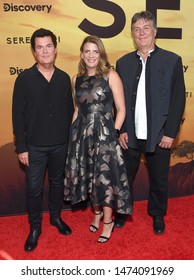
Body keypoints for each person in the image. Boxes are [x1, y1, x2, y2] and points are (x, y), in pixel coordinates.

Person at [115, 11, 186, 234]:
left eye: (146, 27)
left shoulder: (172, 60)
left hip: (160, 135)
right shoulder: (123, 63)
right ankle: (121, 213)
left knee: (159, 179)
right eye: (137, 29)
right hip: (131, 135)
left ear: (154, 31)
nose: (142, 32)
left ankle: (157, 215)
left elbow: (178, 99)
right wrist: (122, 130)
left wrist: (170, 132)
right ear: (132, 34)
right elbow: (118, 101)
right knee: (124, 177)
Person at [64, 35, 132, 243]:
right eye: (87, 51)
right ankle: (97, 213)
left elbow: (121, 109)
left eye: (95, 51)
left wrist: (114, 132)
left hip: (105, 136)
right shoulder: (76, 79)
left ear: (101, 54)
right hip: (82, 135)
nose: (91, 55)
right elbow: (77, 109)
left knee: (106, 179)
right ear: (82, 54)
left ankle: (109, 221)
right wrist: (72, 136)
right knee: (89, 177)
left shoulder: (111, 75)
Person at [12, 28, 74, 252]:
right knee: (34, 189)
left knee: (57, 184)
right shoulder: (24, 79)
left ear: (55, 49)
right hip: (34, 147)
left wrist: (70, 143)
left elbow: (69, 111)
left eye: (49, 46)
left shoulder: (64, 78)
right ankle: (35, 228)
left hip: (60, 145)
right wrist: (22, 147)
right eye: (40, 47)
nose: (45, 51)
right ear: (34, 51)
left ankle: (56, 218)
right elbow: (17, 115)